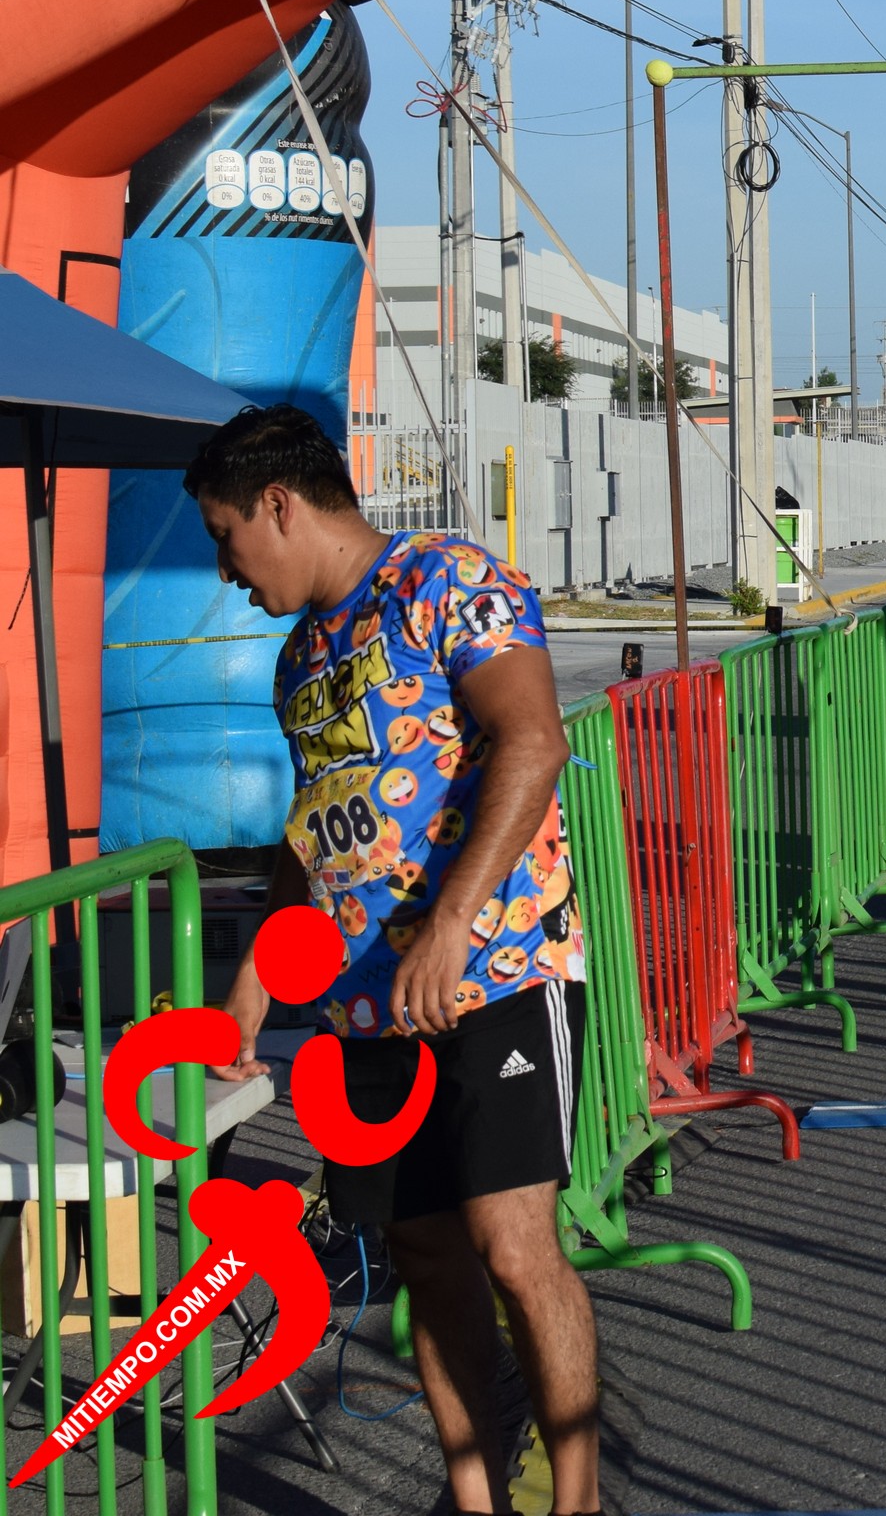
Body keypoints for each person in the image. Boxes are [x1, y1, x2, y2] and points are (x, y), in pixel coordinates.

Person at [185, 406, 601, 1514]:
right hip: (366, 1012)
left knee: (513, 1246)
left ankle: (576, 1500)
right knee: (421, 1252)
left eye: (226, 536)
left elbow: (533, 739)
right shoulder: (298, 661)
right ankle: (475, 1496)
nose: (227, 570)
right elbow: (310, 834)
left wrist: (454, 918)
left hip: (499, 972)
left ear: (280, 504)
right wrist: (252, 985)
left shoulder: (447, 579)